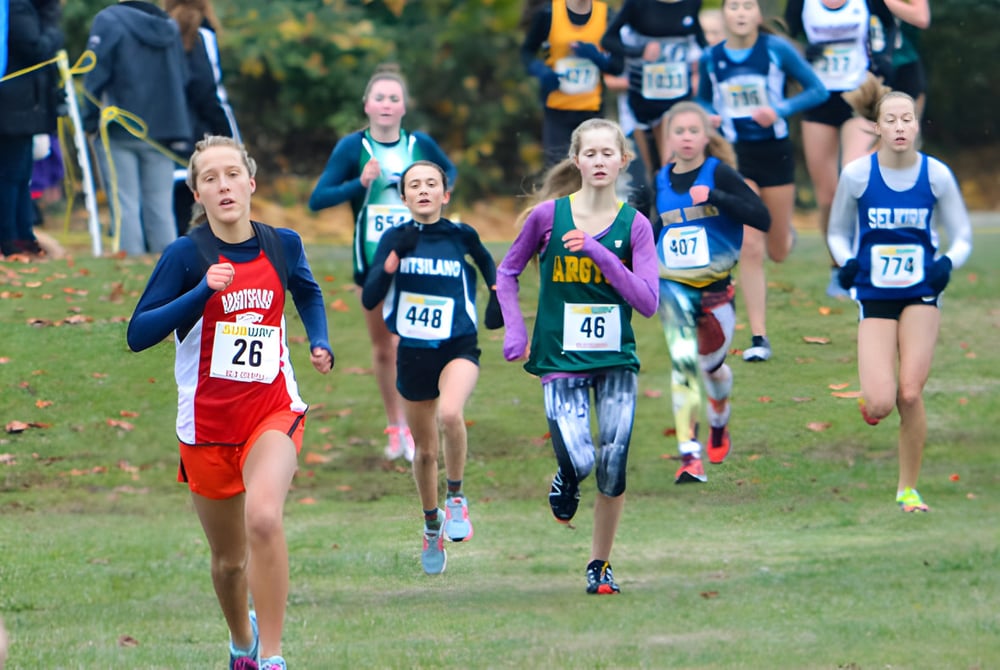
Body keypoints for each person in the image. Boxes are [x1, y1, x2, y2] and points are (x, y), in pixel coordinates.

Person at [127, 136, 334, 670]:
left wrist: (319, 340)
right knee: (229, 562)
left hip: (272, 410)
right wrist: (201, 292)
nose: (224, 185)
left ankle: (273, 656)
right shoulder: (185, 255)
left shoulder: (282, 244)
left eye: (232, 174)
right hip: (207, 428)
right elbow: (138, 333)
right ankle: (243, 641)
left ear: (251, 183)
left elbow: (307, 291)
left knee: (263, 518)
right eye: (210, 178)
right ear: (197, 193)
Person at [496, 118, 658, 594]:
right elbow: (507, 272)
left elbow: (648, 301)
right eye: (591, 153)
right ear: (577, 160)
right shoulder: (547, 216)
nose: (600, 161)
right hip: (560, 357)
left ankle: (600, 564)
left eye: (609, 153)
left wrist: (600, 254)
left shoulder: (635, 225)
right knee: (582, 459)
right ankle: (567, 475)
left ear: (623, 161)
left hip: (615, 358)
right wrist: (515, 330)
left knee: (613, 464)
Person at [827, 92, 972, 513]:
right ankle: (871, 401)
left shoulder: (936, 175)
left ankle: (908, 490)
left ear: (916, 124)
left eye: (907, 119)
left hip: (922, 291)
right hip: (874, 293)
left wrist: (946, 263)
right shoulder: (857, 175)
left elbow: (962, 235)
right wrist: (847, 262)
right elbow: (837, 231)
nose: (900, 127)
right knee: (881, 403)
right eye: (890, 120)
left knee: (909, 394)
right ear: (877, 127)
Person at [309, 65, 456, 463]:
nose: (387, 104)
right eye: (380, 98)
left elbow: (450, 171)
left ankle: (423, 421)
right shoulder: (353, 148)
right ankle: (397, 427)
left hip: (418, 258)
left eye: (394, 98)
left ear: (404, 106)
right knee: (384, 346)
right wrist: (359, 183)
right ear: (367, 106)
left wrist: (438, 194)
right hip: (372, 261)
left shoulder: (419, 144)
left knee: (412, 341)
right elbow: (318, 199)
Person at [361, 160, 501, 575]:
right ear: (404, 197)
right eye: (415, 185)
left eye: (431, 184)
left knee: (451, 414)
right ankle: (430, 523)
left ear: (445, 194)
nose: (423, 190)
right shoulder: (396, 238)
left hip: (459, 345)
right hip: (413, 353)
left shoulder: (461, 235)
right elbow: (370, 296)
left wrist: (496, 297)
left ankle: (456, 497)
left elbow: (487, 262)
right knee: (424, 451)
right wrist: (392, 260)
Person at [697, 0, 828, 362]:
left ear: (758, 14)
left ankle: (785, 234)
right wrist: (709, 115)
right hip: (735, 157)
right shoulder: (711, 58)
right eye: (733, 6)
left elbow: (817, 90)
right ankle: (759, 337)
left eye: (747, 6)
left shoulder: (776, 50)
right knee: (751, 244)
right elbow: (702, 99)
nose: (740, 13)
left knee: (777, 250)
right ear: (725, 14)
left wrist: (779, 109)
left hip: (775, 154)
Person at [653, 102, 770, 484]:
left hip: (716, 292)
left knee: (711, 368)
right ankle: (690, 456)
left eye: (693, 131)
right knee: (683, 367)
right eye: (679, 131)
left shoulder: (719, 173)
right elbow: (652, 229)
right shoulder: (659, 181)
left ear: (706, 136)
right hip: (673, 289)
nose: (686, 138)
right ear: (668, 138)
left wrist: (716, 197)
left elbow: (762, 217)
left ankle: (719, 420)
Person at [785, 0, 884, 299]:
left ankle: (867, 261)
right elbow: (784, 40)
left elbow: (887, 29)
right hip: (818, 98)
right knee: (827, 196)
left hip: (859, 96)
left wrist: (883, 60)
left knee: (855, 178)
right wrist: (802, 52)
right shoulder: (801, 4)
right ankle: (838, 268)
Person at [82, 0, 193, 256]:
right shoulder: (168, 26)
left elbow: (95, 73)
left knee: (125, 203)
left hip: (120, 126)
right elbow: (183, 75)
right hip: (163, 129)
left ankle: (129, 263)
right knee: (160, 205)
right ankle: (168, 264)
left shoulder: (108, 20)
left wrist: (89, 119)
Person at [601, 0, 707, 177]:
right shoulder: (636, 4)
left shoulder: (692, 3)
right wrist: (640, 51)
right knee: (649, 175)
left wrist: (701, 72)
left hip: (679, 98)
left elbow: (700, 41)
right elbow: (607, 40)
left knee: (673, 167)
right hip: (643, 102)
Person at [165, 0, 240, 236]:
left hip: (162, 134)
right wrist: (229, 136)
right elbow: (208, 90)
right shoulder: (203, 35)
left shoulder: (158, 31)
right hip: (199, 134)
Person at [520, 0, 618, 168]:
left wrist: (596, 57)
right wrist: (541, 71)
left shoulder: (606, 15)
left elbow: (617, 65)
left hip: (593, 111)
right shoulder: (548, 13)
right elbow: (527, 51)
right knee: (558, 172)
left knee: (591, 171)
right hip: (557, 111)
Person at [0, 0, 63, 259]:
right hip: (15, 107)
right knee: (12, 175)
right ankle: (11, 238)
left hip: (20, 106)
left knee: (19, 174)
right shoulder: (19, 8)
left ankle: (22, 235)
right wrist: (54, 31)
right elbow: (34, 47)